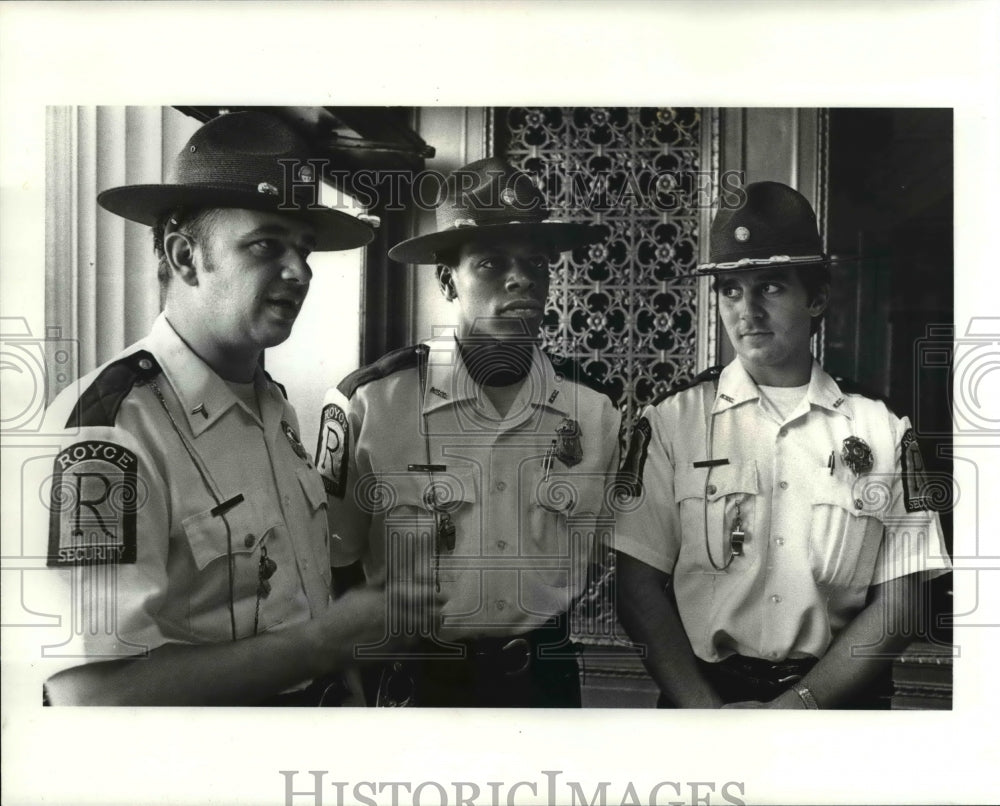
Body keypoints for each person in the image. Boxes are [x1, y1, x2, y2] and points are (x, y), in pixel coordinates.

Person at [39, 111, 417, 706]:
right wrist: (325, 642)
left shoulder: (276, 411)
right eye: (267, 244)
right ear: (185, 256)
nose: (300, 273)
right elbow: (89, 695)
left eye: (306, 250)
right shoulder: (110, 431)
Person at [615, 181, 952, 708]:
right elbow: (636, 585)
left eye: (769, 286)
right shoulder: (672, 420)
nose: (746, 309)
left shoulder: (880, 426)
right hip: (702, 702)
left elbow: (903, 600)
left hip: (837, 704)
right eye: (730, 289)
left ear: (816, 297)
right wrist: (706, 716)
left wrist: (798, 708)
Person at [317, 158, 621, 706]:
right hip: (418, 681)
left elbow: (599, 547)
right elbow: (333, 563)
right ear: (446, 279)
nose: (521, 278)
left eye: (536, 262)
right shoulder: (373, 403)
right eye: (490, 262)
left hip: (542, 682)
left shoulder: (594, 410)